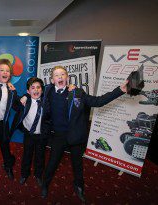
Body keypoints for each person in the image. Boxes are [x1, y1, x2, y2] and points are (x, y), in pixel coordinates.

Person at [41, 66, 128, 202]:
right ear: (52, 80)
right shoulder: (47, 91)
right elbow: (32, 92)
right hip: (58, 135)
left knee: (77, 165)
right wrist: (23, 97)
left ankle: (79, 186)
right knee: (52, 163)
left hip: (75, 136)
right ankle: (45, 184)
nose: (60, 77)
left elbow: (98, 102)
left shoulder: (77, 93)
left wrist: (120, 90)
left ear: (67, 78)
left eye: (63, 74)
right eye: (57, 75)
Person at [10, 77, 50, 187]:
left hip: (41, 135)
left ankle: (38, 175)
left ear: (42, 90)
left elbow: (51, 117)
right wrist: (15, 93)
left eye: (38, 88)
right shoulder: (24, 102)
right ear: (28, 91)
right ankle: (24, 174)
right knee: (27, 155)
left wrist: (46, 131)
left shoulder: (47, 102)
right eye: (33, 88)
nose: (36, 90)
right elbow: (13, 103)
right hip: (29, 134)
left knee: (40, 156)